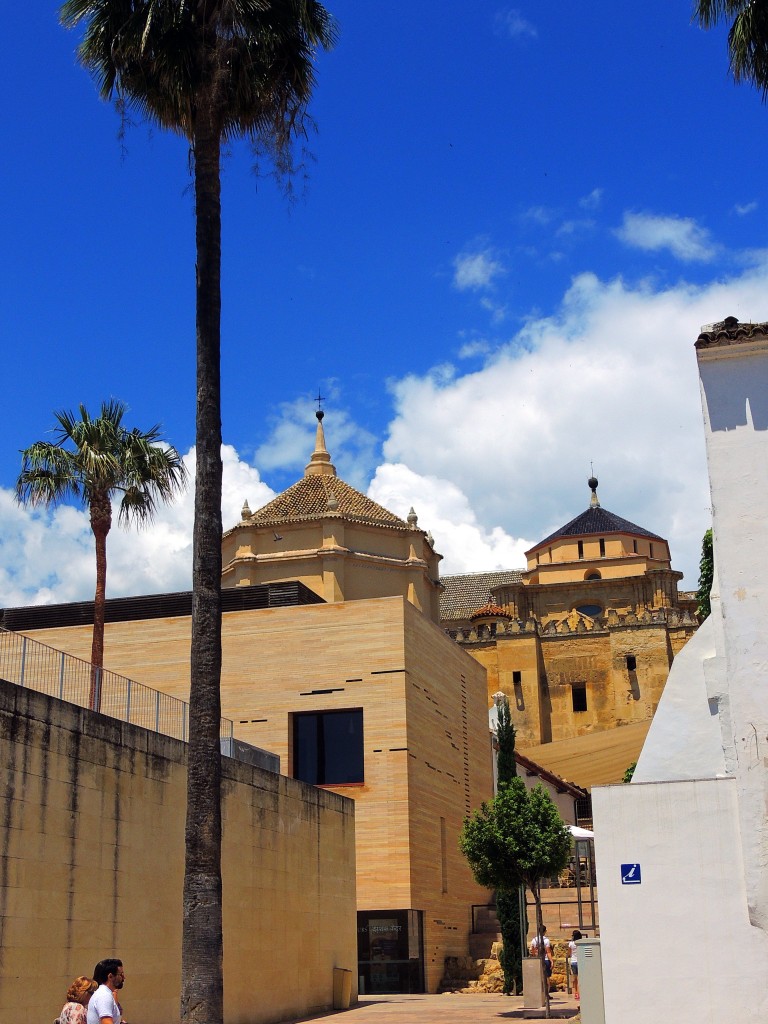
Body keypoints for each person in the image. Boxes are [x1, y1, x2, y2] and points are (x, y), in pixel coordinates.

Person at [86, 959, 125, 1024]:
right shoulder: (104, 995)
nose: (124, 977)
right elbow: (106, 1022)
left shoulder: (104, 993)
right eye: (121, 974)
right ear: (110, 976)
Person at [569, 929, 582, 1002]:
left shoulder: (571, 943)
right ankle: (581, 992)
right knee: (581, 978)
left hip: (573, 961)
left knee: (575, 978)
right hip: (580, 961)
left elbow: (569, 953)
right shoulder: (580, 943)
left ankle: (576, 992)